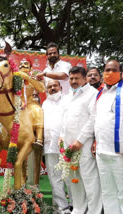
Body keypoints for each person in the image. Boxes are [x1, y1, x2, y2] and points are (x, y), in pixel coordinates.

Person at [74, 60, 123, 214]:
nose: (109, 73)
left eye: (113, 70)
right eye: (107, 70)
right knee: (108, 192)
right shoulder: (100, 94)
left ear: (120, 73)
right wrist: (95, 141)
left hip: (121, 150)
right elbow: (95, 120)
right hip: (102, 151)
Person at [60, 67, 102, 214]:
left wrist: (80, 140)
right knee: (74, 178)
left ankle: (94, 210)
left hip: (84, 144)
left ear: (85, 79)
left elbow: (93, 119)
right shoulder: (68, 95)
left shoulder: (93, 94)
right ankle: (78, 209)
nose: (73, 81)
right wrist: (62, 137)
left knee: (90, 180)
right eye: (71, 79)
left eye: (77, 78)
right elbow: (65, 119)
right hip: (69, 145)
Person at [42, 80, 70, 214]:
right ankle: (62, 206)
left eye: (55, 86)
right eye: (49, 87)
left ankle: (75, 205)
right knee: (55, 178)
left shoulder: (68, 99)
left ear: (60, 87)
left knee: (69, 176)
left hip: (67, 144)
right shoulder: (44, 103)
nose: (52, 88)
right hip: (49, 145)